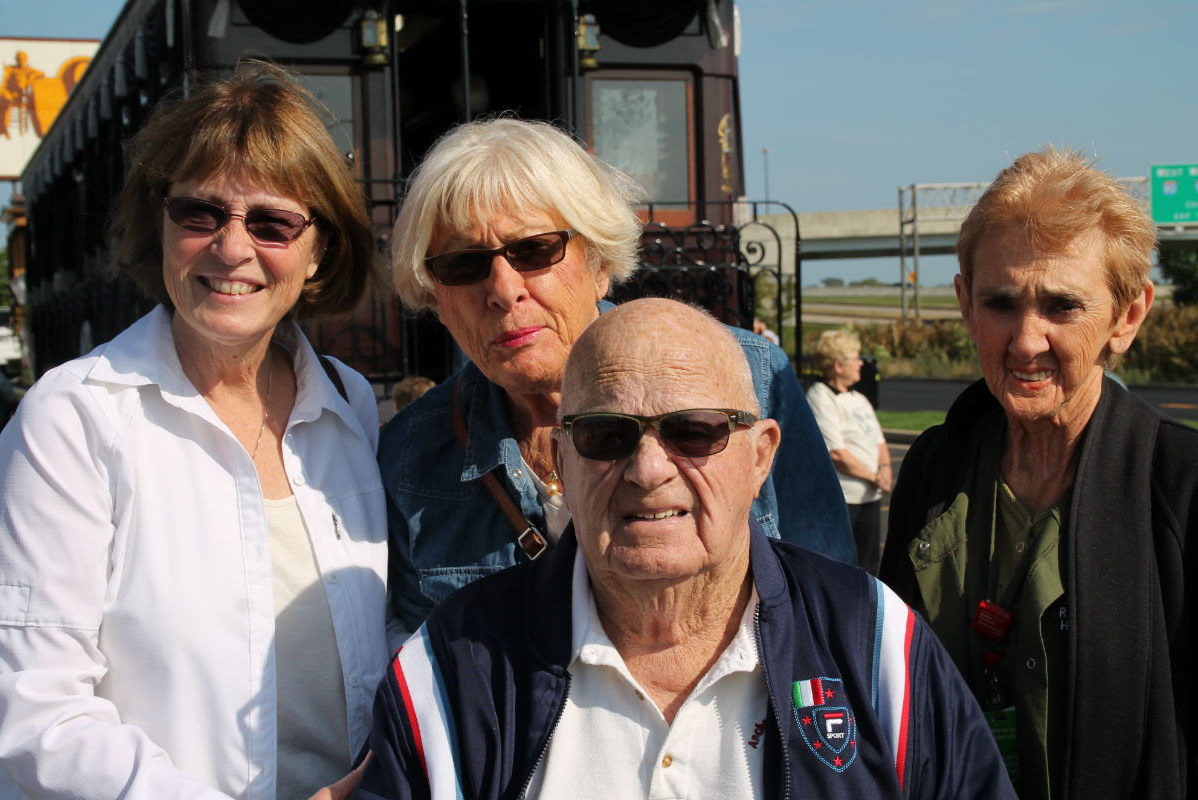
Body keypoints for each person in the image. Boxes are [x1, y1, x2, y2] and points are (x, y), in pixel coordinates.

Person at [353, 298, 1015, 799]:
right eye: (607, 435)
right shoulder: (453, 671)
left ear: (762, 458)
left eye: (694, 432)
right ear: (561, 458)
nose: (648, 470)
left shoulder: (877, 649)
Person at [0, 62, 391, 799]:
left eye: (272, 222)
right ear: (163, 224)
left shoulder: (350, 407)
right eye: (201, 213)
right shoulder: (76, 419)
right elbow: (31, 708)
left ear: (319, 253)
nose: (232, 248)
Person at [381, 117, 854, 632]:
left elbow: (832, 611)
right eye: (463, 263)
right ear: (435, 297)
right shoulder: (413, 458)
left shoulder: (751, 380)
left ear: (600, 262)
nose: (503, 289)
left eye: (535, 249)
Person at [879, 147, 1198, 799]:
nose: (1025, 340)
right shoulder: (935, 471)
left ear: (1128, 315)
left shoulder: (1179, 484)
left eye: (1061, 307)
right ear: (966, 305)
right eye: (1001, 303)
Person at [806, 329, 891, 574]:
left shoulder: (859, 399)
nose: (861, 363)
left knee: (870, 566)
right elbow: (837, 454)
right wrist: (875, 477)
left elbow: (879, 441)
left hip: (869, 497)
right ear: (838, 365)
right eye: (855, 357)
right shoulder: (820, 397)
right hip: (843, 500)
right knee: (839, 568)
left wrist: (885, 469)